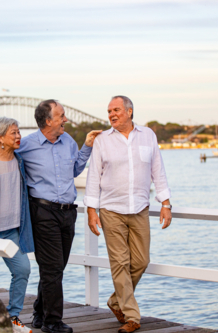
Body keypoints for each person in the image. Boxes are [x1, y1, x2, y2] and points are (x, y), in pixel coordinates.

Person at [84, 96, 172, 333]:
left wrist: (165, 202)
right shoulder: (103, 141)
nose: (111, 114)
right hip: (111, 209)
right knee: (120, 263)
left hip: (140, 208)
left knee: (142, 260)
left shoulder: (148, 135)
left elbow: (158, 170)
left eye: (116, 110)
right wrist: (92, 211)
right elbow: (93, 177)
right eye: (109, 111)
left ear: (130, 112)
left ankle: (116, 300)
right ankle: (132, 316)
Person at [17, 100, 102, 333]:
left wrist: (87, 147)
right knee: (53, 268)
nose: (66, 119)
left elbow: (75, 170)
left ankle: (38, 312)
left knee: (56, 268)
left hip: (68, 213)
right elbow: (1, 157)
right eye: (61, 115)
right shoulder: (26, 145)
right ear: (48, 120)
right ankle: (52, 322)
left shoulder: (69, 142)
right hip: (42, 212)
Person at [0, 117, 34, 333]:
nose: (18, 136)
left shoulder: (19, 161)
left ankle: (13, 316)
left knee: (23, 270)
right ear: (0, 137)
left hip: (13, 232)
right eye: (14, 133)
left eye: (18, 132)